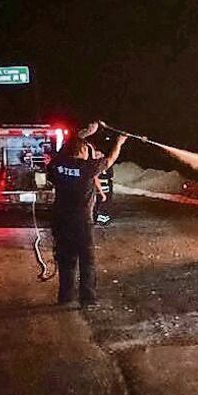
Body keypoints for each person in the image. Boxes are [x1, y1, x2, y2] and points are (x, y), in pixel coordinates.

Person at [47, 121, 126, 307]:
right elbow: (110, 160)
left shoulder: (57, 166)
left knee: (66, 260)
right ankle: (88, 299)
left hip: (61, 222)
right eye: (86, 149)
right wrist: (119, 142)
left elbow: (57, 158)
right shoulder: (87, 168)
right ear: (82, 151)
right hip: (82, 223)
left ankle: (65, 297)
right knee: (87, 261)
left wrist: (81, 135)